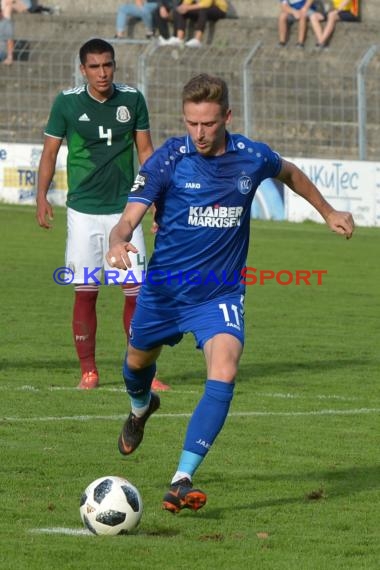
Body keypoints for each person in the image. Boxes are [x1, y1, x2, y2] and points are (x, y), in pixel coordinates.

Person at [105, 73, 355, 513]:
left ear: (227, 117)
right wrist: (117, 240)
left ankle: (182, 478)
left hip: (217, 295)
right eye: (191, 123)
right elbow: (128, 219)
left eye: (208, 124)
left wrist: (328, 210)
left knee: (225, 368)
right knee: (135, 364)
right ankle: (141, 409)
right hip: (164, 291)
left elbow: (290, 172)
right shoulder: (168, 159)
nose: (199, 133)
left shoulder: (250, 156)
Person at [36, 38, 169, 392]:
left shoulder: (132, 99)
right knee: (86, 291)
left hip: (127, 212)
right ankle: (89, 372)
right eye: (94, 66)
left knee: (136, 293)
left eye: (107, 65)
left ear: (114, 65)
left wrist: (158, 197)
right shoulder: (66, 103)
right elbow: (49, 154)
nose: (102, 72)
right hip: (83, 212)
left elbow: (146, 151)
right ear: (83, 70)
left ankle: (144, 372)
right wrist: (41, 196)